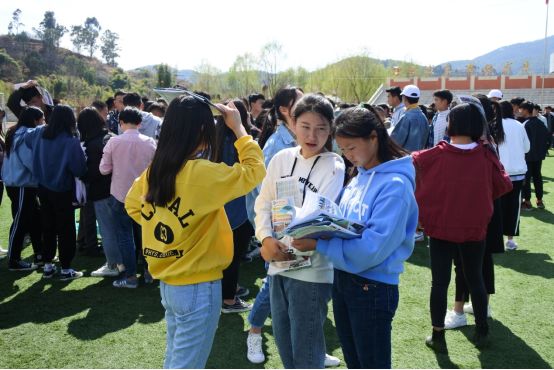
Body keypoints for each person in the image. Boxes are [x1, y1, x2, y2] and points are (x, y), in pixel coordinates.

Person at [125, 96, 265, 369]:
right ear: (203, 131)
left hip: (169, 283)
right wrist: (238, 128)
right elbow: (255, 170)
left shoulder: (158, 169)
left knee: (175, 360)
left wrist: (168, 226)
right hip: (199, 286)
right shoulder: (202, 173)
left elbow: (132, 205)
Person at [293, 104, 416, 368]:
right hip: (345, 279)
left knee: (371, 363)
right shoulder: (360, 175)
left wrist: (319, 244)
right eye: (343, 149)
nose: (348, 156)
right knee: (355, 361)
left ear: (373, 137)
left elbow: (371, 250)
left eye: (352, 147)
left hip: (372, 286)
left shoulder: (395, 186)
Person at [255, 94, 346, 368]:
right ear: (292, 123)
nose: (312, 135)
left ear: (330, 129)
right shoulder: (281, 158)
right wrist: (265, 238)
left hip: (311, 272)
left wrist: (283, 247)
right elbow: (264, 202)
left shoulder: (334, 165)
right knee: (285, 347)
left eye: (320, 128)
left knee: (306, 353)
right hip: (277, 265)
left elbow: (319, 216)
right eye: (305, 126)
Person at [414, 101, 512, 352]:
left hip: (440, 228)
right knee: (475, 279)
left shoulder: (433, 155)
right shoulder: (486, 153)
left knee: (439, 283)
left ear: (450, 124)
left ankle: (438, 336)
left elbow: (413, 167)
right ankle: (482, 331)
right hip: (474, 228)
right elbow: (504, 185)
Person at [25, 105, 88, 280]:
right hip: (63, 189)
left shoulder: (39, 133)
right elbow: (79, 169)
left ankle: (48, 265)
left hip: (42, 187)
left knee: (48, 226)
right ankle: (66, 268)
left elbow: (26, 139)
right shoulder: (70, 141)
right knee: (66, 228)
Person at [100, 107, 157, 288]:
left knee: (125, 235)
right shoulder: (150, 142)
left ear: (121, 123)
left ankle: (131, 276)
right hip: (145, 195)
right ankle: (149, 272)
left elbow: (104, 169)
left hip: (120, 194)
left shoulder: (113, 142)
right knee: (146, 234)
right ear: (140, 123)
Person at [213, 99, 255, 313]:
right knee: (232, 257)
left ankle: (230, 289)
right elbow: (254, 172)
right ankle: (228, 300)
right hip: (238, 209)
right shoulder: (239, 143)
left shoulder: (213, 140)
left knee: (224, 256)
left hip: (218, 208)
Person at [77, 107, 120, 278]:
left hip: (101, 191)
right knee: (122, 228)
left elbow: (95, 171)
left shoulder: (91, 144)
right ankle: (127, 260)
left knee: (107, 229)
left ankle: (113, 264)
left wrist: (82, 175)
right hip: (120, 189)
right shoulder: (112, 138)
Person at [1, 106, 45, 271]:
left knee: (35, 218)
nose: (43, 123)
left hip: (16, 182)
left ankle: (40, 254)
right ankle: (14, 259)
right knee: (21, 221)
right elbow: (30, 162)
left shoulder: (14, 132)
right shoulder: (25, 135)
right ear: (35, 121)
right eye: (41, 120)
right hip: (22, 184)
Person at [497, 101, 530, 250]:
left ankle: (497, 238)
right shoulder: (519, 125)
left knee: (497, 206)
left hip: (500, 172)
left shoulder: (495, 125)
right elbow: (527, 148)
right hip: (517, 172)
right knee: (514, 206)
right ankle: (510, 240)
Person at [520, 101, 549, 210]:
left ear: (527, 110)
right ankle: (539, 200)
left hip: (527, 157)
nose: (520, 111)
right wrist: (542, 151)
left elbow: (522, 142)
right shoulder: (541, 123)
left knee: (526, 179)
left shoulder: (525, 124)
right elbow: (548, 139)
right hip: (538, 156)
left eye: (521, 109)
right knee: (538, 177)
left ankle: (527, 202)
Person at [390, 85, 429, 151]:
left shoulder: (406, 117)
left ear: (404, 98)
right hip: (419, 157)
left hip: (406, 158)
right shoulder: (423, 117)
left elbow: (396, 142)